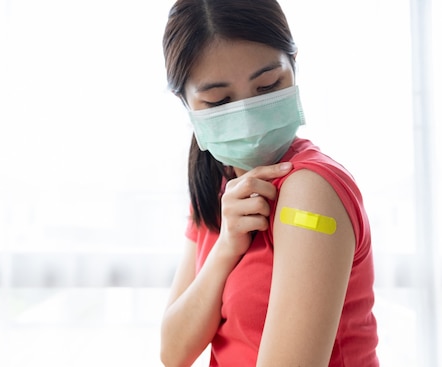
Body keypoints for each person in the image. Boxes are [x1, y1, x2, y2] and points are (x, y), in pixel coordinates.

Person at [159, 0, 379, 366]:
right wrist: (226, 248)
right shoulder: (215, 189)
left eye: (268, 86)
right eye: (219, 101)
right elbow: (173, 351)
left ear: (294, 66)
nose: (247, 117)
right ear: (185, 104)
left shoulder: (309, 195)